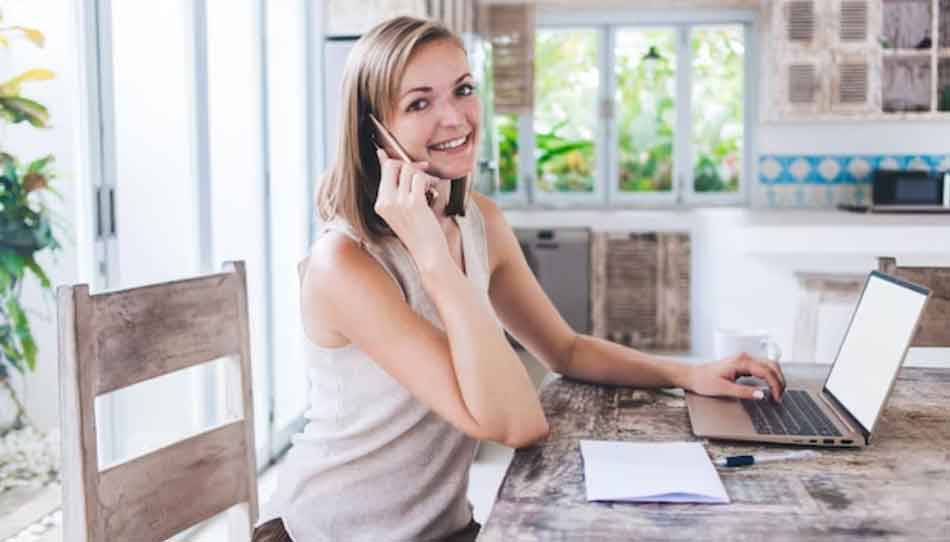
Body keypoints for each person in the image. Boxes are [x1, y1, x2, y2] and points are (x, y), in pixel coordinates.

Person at [254, 15, 785, 542]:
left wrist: (687, 373)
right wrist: (435, 258)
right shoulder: (344, 264)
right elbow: (515, 422)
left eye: (462, 90)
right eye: (419, 103)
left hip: (444, 530)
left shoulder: (480, 221)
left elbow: (566, 349)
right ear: (374, 132)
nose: (455, 118)